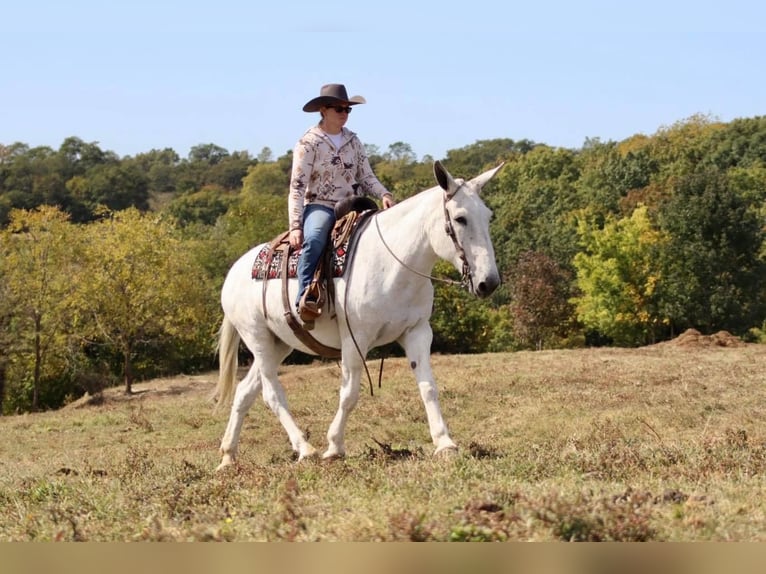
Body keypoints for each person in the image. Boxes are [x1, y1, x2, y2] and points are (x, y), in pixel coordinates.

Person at [288, 83, 395, 326]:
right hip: (321, 205)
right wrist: (296, 226)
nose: (344, 113)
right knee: (315, 238)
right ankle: (305, 297)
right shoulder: (309, 143)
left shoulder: (353, 141)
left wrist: (384, 194)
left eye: (348, 109)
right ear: (323, 110)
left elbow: (366, 176)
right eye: (339, 109)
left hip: (353, 203)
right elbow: (297, 187)